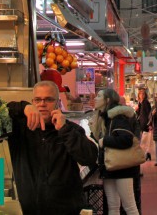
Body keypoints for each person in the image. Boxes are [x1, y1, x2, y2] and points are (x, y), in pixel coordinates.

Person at [11, 81, 98, 214]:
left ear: (58, 103)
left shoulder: (71, 129)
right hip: (29, 210)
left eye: (49, 99)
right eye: (37, 100)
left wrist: (64, 130)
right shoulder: (21, 129)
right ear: (32, 102)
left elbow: (89, 158)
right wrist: (24, 107)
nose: (42, 104)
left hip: (66, 210)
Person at [90, 88, 141, 215]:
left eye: (99, 96)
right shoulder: (104, 118)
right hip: (109, 167)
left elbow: (126, 140)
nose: (95, 98)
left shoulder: (117, 117)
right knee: (113, 206)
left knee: (129, 206)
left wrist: (104, 141)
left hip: (122, 168)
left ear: (107, 100)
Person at [135, 87, 152, 161]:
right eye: (140, 94)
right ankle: (147, 153)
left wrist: (149, 123)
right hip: (142, 123)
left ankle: (146, 153)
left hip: (145, 123)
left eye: (143, 94)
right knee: (144, 139)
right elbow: (139, 114)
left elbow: (148, 114)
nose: (141, 95)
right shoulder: (140, 103)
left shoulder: (145, 102)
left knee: (145, 139)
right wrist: (137, 110)